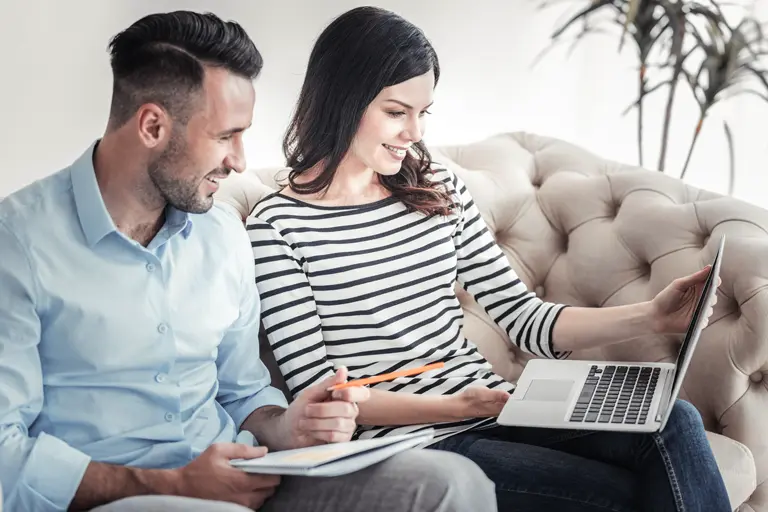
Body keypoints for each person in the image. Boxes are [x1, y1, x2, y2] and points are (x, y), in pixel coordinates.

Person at [0, 10, 498, 512]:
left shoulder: (220, 235)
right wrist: (172, 485)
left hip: (245, 475)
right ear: (152, 125)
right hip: (128, 498)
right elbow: (4, 453)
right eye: (224, 136)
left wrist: (289, 425)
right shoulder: (17, 243)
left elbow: (244, 392)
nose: (240, 160)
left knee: (448, 482)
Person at [245, 6, 732, 512]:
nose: (415, 132)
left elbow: (523, 320)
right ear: (342, 101)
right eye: (396, 112)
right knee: (625, 497)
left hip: (498, 408)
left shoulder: (435, 187)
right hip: (415, 443)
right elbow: (321, 394)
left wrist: (654, 316)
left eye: (423, 112)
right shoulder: (278, 227)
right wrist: (453, 406)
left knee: (674, 420)